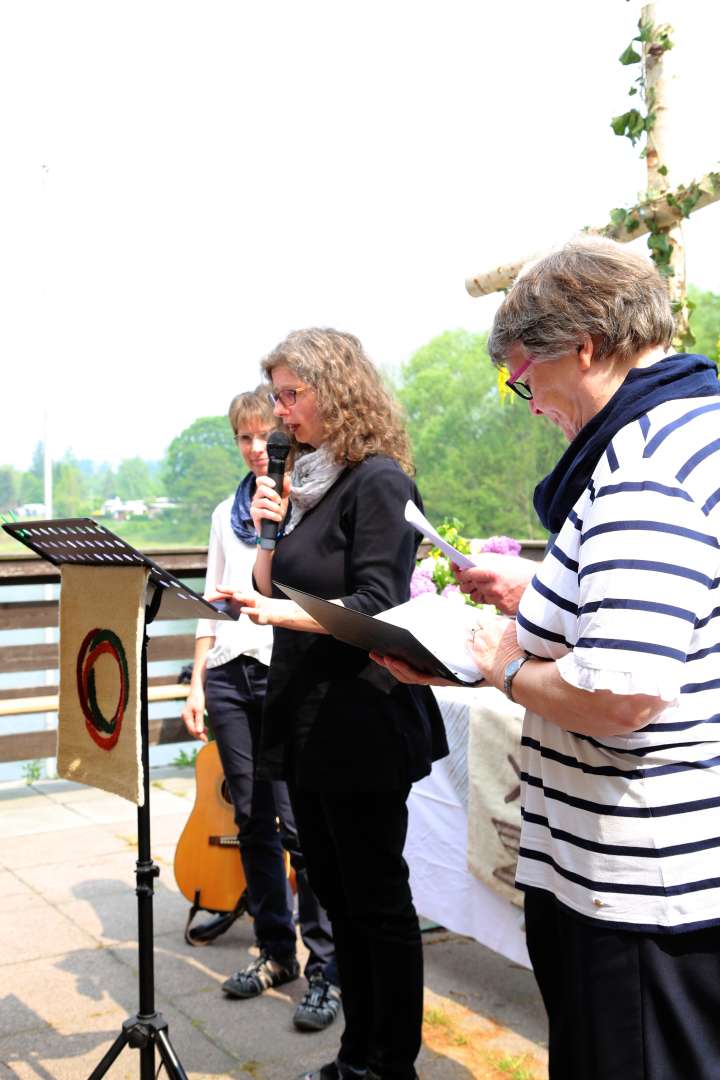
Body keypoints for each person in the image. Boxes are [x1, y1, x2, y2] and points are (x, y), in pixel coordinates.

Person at [374, 238, 720, 1079]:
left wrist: (496, 664)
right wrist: (536, 586)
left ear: (587, 347)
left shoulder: (642, 471)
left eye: (524, 376)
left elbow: (623, 693)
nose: (526, 402)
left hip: (636, 883)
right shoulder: (695, 429)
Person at [221, 328, 447, 1080]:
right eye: (277, 396)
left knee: (377, 903)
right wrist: (268, 526)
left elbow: (381, 604)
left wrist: (283, 611)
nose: (282, 414)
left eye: (293, 395)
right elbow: (264, 583)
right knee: (337, 900)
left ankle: (393, 1064)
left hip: (362, 719)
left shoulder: (379, 481)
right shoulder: (307, 486)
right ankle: (355, 1055)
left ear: (339, 389)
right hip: (306, 717)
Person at [181, 386, 340, 1032]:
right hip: (228, 674)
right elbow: (210, 602)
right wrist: (196, 681)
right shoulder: (226, 513)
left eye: (262, 436)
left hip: (285, 671)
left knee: (301, 826)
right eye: (244, 438)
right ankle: (276, 951)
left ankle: (326, 966)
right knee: (251, 819)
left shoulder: (301, 503)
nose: (254, 448)